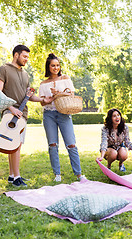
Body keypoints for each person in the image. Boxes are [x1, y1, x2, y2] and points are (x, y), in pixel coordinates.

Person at [0, 45, 53, 187]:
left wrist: (43, 100)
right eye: (24, 56)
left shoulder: (25, 74)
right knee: (15, 145)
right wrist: (11, 108)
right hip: (10, 113)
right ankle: (17, 177)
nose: (27, 59)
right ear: (16, 55)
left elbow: (28, 96)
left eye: (28, 57)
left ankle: (11, 175)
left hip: (23, 114)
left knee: (13, 143)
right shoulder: (4, 69)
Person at [38, 53, 86, 182]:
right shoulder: (43, 83)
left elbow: (71, 94)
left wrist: (58, 93)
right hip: (49, 114)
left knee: (71, 144)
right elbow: (42, 102)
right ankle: (57, 174)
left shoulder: (65, 78)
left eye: (58, 65)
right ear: (48, 67)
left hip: (64, 113)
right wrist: (52, 97)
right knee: (52, 145)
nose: (56, 68)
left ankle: (79, 174)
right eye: (53, 65)